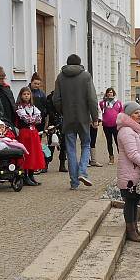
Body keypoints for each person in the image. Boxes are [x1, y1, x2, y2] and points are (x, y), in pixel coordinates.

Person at [53, 54, 98, 189]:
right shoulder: (86, 76)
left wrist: (63, 112)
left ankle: (74, 182)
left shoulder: (60, 77)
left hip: (68, 118)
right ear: (79, 63)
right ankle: (83, 171)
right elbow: (92, 99)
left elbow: (56, 100)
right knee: (86, 144)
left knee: (70, 149)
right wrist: (95, 117)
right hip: (83, 117)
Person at [116, 102, 140, 242]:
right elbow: (132, 154)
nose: (139, 115)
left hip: (136, 172)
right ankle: (131, 231)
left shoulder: (136, 130)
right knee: (130, 203)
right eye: (136, 113)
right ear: (129, 115)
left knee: (134, 201)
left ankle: (135, 229)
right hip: (129, 174)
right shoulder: (126, 131)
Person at [14, 86, 46, 186]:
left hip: (33, 133)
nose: (26, 96)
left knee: (34, 154)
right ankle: (25, 175)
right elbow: (26, 119)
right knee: (26, 154)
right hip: (25, 133)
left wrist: (34, 119)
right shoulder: (20, 107)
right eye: (24, 94)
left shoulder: (32, 107)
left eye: (28, 94)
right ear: (21, 95)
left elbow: (39, 118)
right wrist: (34, 119)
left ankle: (31, 175)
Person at [30, 73, 49, 173]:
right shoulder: (27, 92)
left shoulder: (41, 93)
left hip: (40, 121)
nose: (37, 86)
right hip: (29, 122)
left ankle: (39, 163)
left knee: (38, 142)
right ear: (31, 82)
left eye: (38, 84)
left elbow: (45, 105)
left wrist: (44, 114)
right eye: (35, 83)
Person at [99, 88, 124, 165]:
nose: (110, 94)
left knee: (118, 142)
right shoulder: (102, 103)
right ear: (106, 94)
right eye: (108, 92)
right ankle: (111, 157)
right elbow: (99, 111)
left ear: (113, 93)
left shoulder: (118, 103)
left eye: (111, 92)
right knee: (109, 142)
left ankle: (121, 158)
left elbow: (121, 113)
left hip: (115, 125)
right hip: (106, 125)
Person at [45, 90, 67, 172]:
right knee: (50, 144)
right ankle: (46, 163)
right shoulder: (50, 97)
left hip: (65, 123)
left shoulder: (67, 96)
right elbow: (49, 110)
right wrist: (55, 120)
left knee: (64, 145)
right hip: (53, 124)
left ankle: (62, 164)